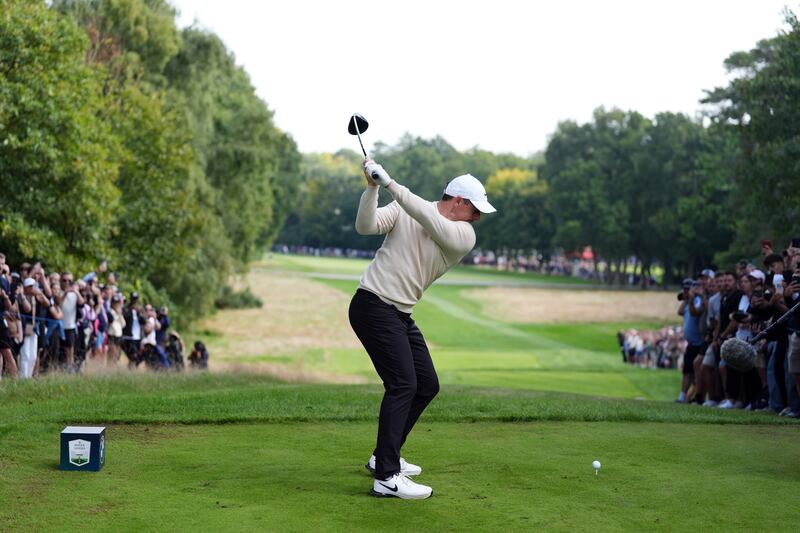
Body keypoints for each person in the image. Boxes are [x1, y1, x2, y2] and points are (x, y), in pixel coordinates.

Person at [348, 159, 496, 499]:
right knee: (403, 384)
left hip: (398, 313)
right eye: (475, 209)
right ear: (458, 201)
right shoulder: (404, 209)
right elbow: (365, 226)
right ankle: (386, 476)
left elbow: (429, 219)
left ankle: (383, 456)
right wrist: (372, 189)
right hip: (372, 304)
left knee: (426, 385)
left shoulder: (463, 235)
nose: (478, 217)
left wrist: (392, 185)